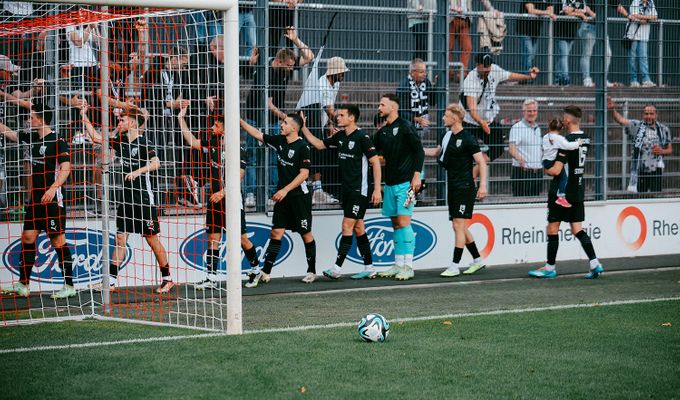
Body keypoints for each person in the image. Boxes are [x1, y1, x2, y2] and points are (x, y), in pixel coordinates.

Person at [83, 107, 175, 293]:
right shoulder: (121, 141)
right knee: (120, 238)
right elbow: (96, 137)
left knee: (152, 240)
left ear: (132, 122)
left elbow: (156, 163)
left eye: (122, 120)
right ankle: (109, 282)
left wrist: (137, 171)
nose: (119, 123)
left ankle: (168, 279)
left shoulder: (144, 143)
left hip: (143, 200)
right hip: (126, 200)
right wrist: (83, 114)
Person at [177, 105, 260, 289]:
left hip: (230, 201)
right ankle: (211, 278)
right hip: (215, 200)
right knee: (213, 239)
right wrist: (180, 118)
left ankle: (255, 269)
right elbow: (192, 141)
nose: (212, 127)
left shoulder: (238, 149)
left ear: (225, 128)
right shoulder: (213, 143)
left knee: (241, 239)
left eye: (216, 125)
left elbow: (238, 176)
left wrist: (222, 193)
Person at [0, 104, 76, 299]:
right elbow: (9, 133)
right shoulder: (32, 137)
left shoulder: (57, 141)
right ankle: (23, 285)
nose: (28, 119)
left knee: (58, 241)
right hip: (36, 199)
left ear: (41, 120)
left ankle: (69, 286)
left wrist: (53, 188)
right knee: (27, 238)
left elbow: (66, 168)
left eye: (31, 117)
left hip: (52, 199)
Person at [300, 104, 382, 280]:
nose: (338, 118)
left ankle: (337, 268)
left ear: (352, 118)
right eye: (338, 115)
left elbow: (375, 162)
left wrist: (376, 189)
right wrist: (304, 128)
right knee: (359, 227)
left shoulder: (362, 137)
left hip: (360, 191)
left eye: (342, 115)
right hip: (347, 190)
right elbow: (319, 144)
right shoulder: (340, 136)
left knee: (347, 226)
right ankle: (370, 267)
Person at [240, 114, 317, 286]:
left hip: (299, 197)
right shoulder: (280, 141)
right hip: (283, 197)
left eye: (285, 123)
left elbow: (304, 174)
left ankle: (311, 270)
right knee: (276, 233)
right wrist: (240, 121)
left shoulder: (303, 147)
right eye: (282, 122)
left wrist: (285, 189)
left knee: (306, 234)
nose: (281, 125)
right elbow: (258, 135)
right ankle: (266, 272)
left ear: (294, 128)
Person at [529, 105, 604, 279]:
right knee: (577, 229)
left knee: (553, 228)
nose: (562, 119)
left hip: (561, 192)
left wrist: (544, 168)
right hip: (578, 189)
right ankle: (595, 263)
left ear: (568, 120)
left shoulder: (565, 141)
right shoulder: (585, 138)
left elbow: (556, 170)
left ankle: (549, 267)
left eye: (564, 117)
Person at [243, 30, 314, 207]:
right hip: (255, 117)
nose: (292, 69)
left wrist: (296, 40)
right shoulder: (265, 70)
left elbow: (309, 57)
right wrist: (287, 118)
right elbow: (269, 105)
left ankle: (271, 193)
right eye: (289, 66)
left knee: (275, 157)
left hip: (274, 121)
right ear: (279, 61)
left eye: (292, 66)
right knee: (252, 156)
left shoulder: (285, 67)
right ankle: (251, 193)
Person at [424, 104, 487, 277]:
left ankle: (454, 265)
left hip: (464, 187)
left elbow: (481, 162)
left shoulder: (468, 138)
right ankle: (478, 260)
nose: (443, 118)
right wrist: (418, 151)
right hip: (453, 185)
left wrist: (482, 185)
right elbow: (437, 152)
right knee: (458, 226)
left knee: (458, 225)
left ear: (456, 117)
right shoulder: (447, 136)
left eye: (446, 115)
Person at [374, 94, 424, 281]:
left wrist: (417, 175)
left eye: (382, 104)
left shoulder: (405, 126)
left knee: (404, 222)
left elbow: (418, 150)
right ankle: (398, 264)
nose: (379, 107)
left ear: (392, 108)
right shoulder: (383, 132)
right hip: (390, 184)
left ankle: (408, 266)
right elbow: (372, 152)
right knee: (395, 223)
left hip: (407, 184)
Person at [460, 53, 538, 173]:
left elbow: (510, 76)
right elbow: (471, 108)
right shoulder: (471, 79)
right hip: (469, 121)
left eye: (489, 66)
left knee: (498, 147)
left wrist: (529, 77)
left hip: (487, 119)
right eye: (484, 67)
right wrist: (481, 123)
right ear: (477, 65)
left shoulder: (494, 70)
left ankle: (474, 172)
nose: (487, 69)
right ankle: (469, 172)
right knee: (467, 151)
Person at [296, 56, 349, 205]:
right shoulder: (323, 85)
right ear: (335, 72)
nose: (343, 75)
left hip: (319, 123)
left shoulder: (334, 84)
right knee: (315, 154)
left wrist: (331, 125)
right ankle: (315, 191)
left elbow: (328, 110)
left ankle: (316, 190)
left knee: (318, 155)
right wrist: (346, 122)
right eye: (341, 72)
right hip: (310, 122)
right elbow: (330, 110)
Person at [608, 97, 672, 193]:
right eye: (646, 114)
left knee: (655, 197)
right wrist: (612, 110)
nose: (649, 116)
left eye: (651, 114)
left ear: (656, 115)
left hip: (656, 170)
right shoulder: (637, 126)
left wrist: (662, 151)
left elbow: (670, 149)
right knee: (640, 197)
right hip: (639, 170)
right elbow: (621, 120)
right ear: (643, 115)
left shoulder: (663, 129)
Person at [542, 117, 582, 208]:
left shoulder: (545, 136)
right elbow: (568, 146)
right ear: (561, 128)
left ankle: (559, 194)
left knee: (560, 176)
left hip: (546, 161)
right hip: (553, 162)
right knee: (564, 177)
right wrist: (577, 143)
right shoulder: (559, 138)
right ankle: (561, 196)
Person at [554, 0, 596, 86]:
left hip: (571, 32)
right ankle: (565, 79)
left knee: (563, 56)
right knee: (564, 55)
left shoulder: (581, 1)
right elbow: (566, 11)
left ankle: (558, 78)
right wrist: (580, 14)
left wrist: (574, 11)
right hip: (560, 32)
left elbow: (584, 10)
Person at [448, 0, 495, 77]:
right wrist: (452, 8)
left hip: (464, 19)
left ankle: (462, 73)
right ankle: (449, 72)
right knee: (448, 47)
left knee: (467, 47)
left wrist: (491, 9)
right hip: (451, 19)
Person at [508, 99, 544, 197]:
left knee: (534, 206)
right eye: (529, 111)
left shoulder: (538, 128)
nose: (532, 113)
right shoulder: (517, 127)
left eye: (534, 111)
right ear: (524, 112)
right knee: (521, 204)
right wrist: (520, 159)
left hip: (537, 173)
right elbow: (512, 148)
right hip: (523, 173)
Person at [397, 58, 436, 139]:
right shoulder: (404, 85)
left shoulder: (426, 82)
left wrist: (435, 87)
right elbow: (400, 110)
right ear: (413, 72)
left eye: (425, 71)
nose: (425, 74)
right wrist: (416, 119)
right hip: (407, 126)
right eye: (422, 72)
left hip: (423, 123)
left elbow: (432, 102)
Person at [517, 1, 556, 76]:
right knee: (528, 52)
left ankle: (524, 76)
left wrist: (544, 12)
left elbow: (551, 10)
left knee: (531, 55)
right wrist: (546, 12)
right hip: (524, 29)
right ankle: (527, 76)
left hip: (535, 31)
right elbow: (531, 10)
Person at [625, 0, 657, 88]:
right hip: (633, 35)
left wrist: (642, 18)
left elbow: (655, 16)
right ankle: (633, 80)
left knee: (643, 58)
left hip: (644, 35)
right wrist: (648, 18)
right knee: (632, 58)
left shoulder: (651, 3)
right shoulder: (635, 2)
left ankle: (646, 80)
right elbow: (634, 16)